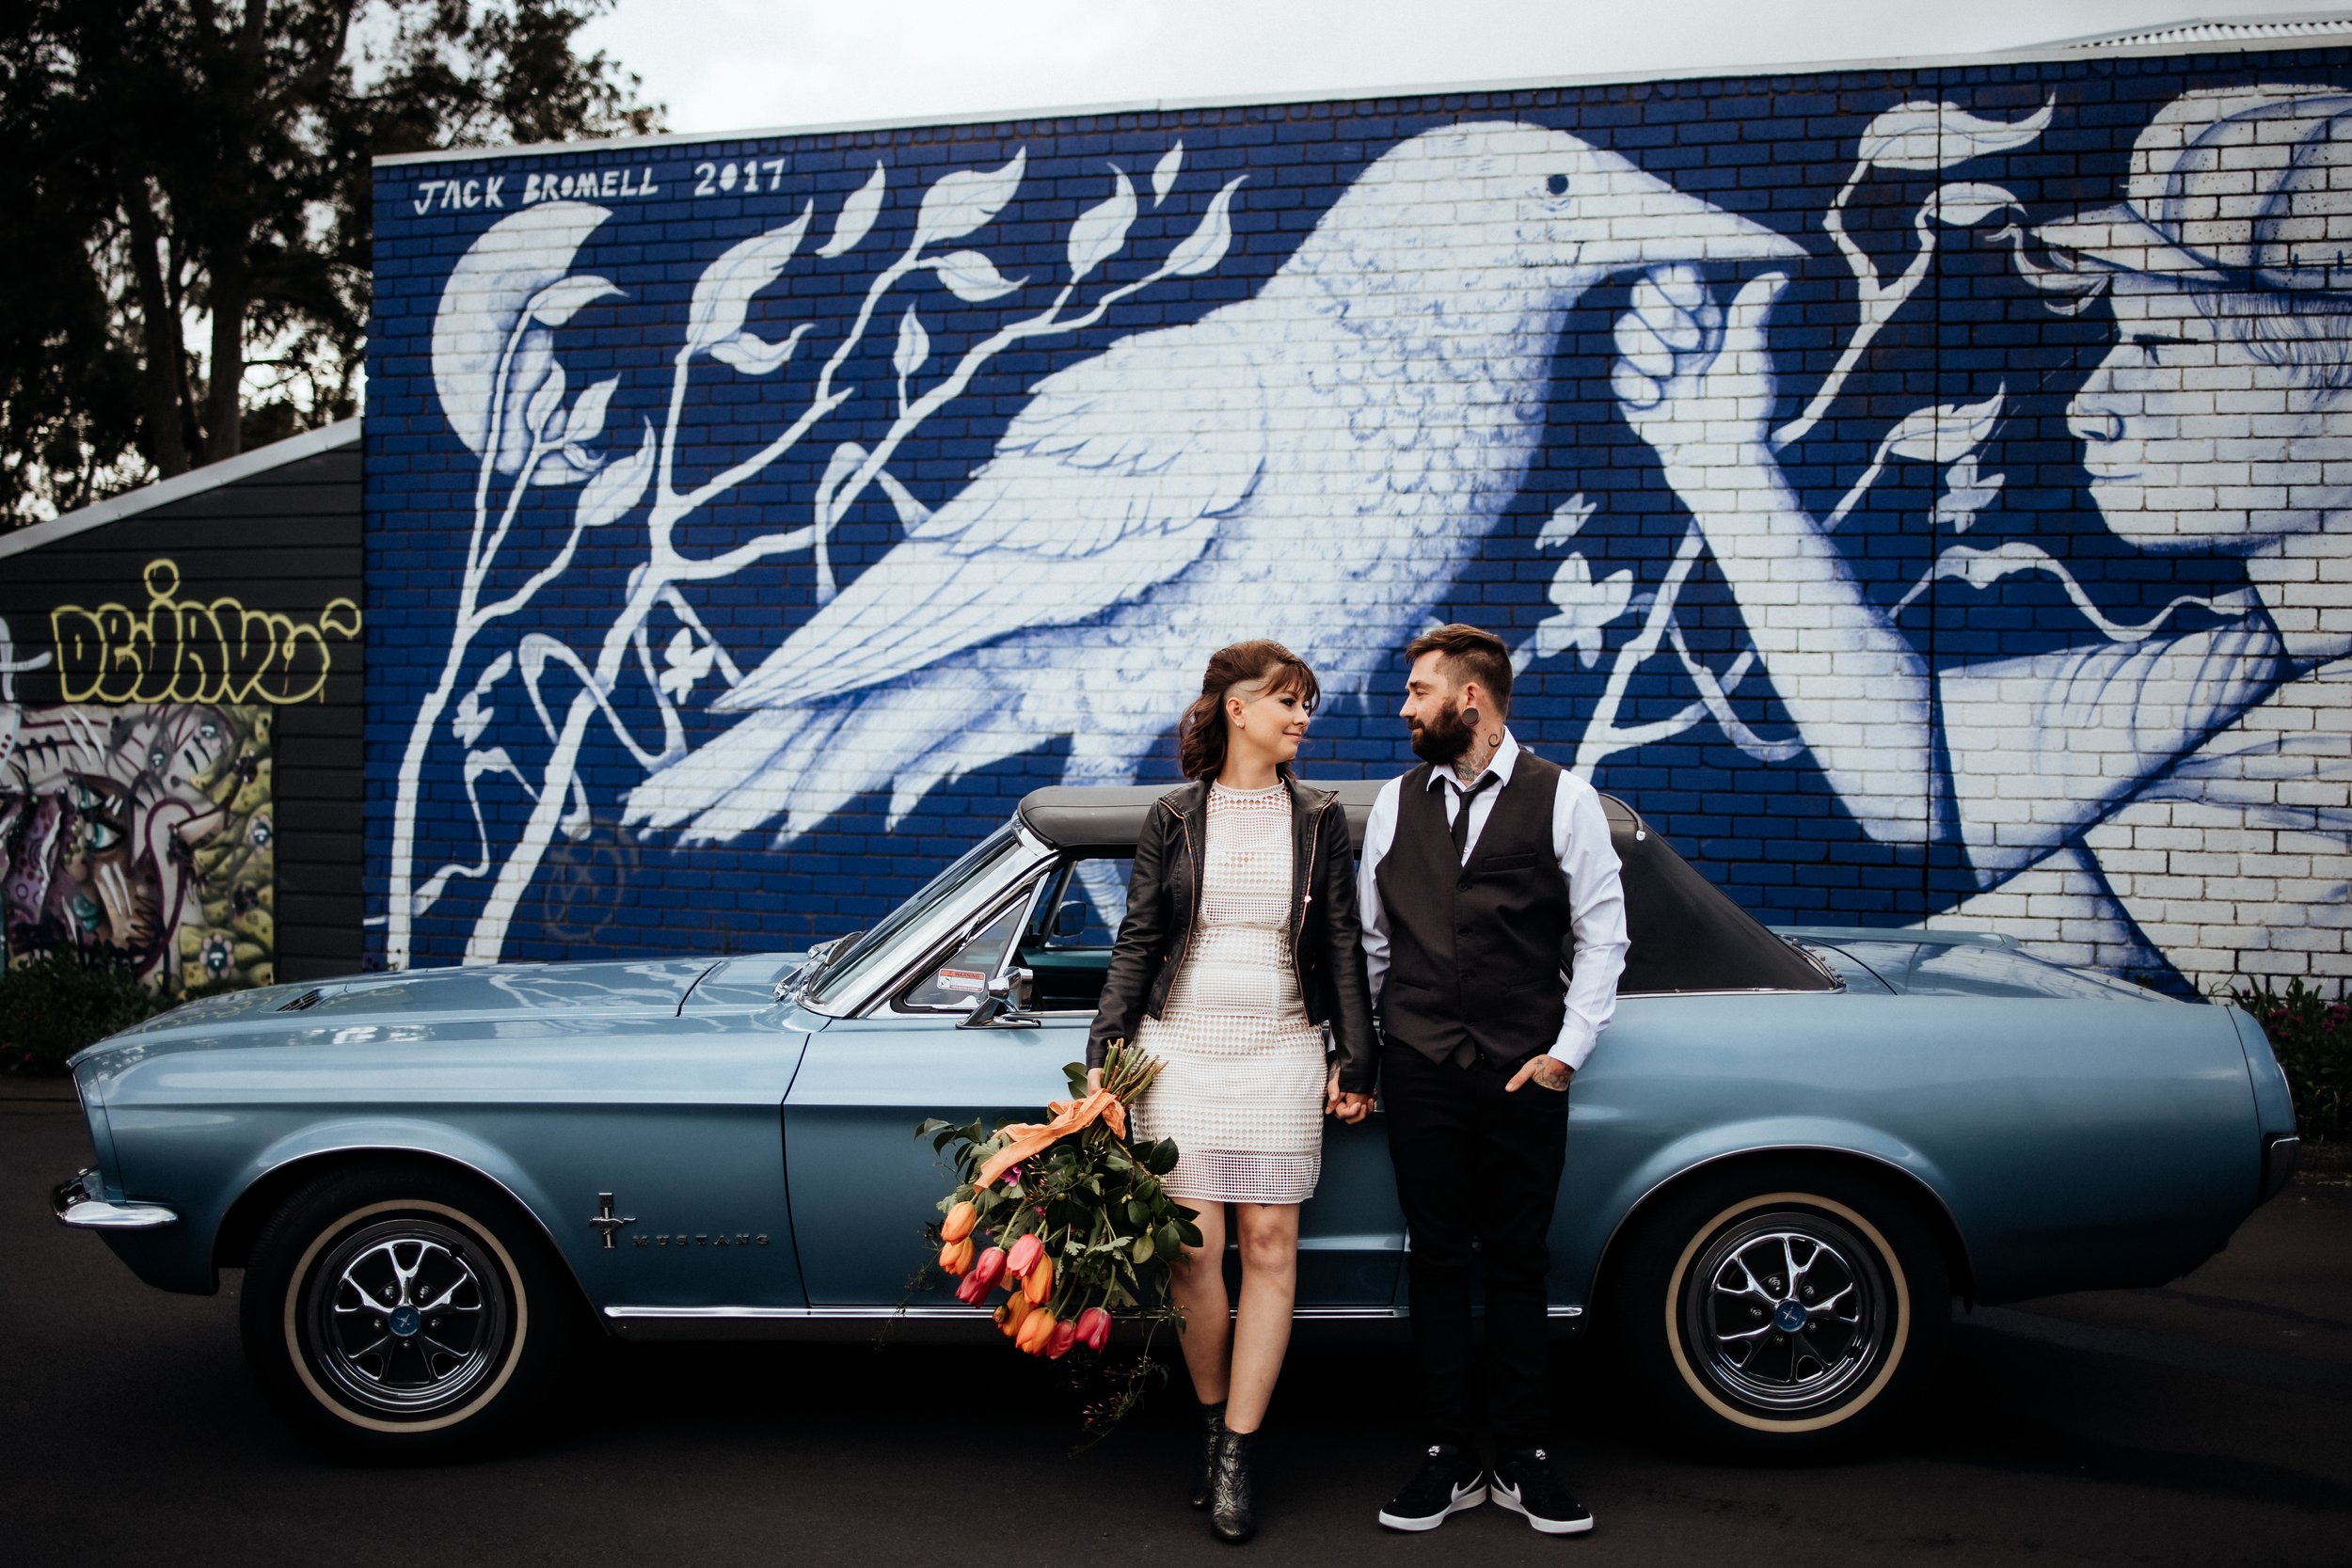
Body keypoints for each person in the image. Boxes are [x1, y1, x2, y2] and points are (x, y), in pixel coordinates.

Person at [1608, 84, 2350, 987]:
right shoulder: (2257, 664)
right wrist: (1717, 457)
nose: (2091, 405)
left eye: (2162, 344)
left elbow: (2016, 962)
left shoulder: (2318, 738)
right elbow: (1914, 778)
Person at [1087, 639, 1377, 1544]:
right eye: (1284, 700)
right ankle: (1213, 1420)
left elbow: (1340, 944)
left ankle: (1238, 1451)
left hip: (1285, 1050)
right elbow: (1139, 940)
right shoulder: (1172, 817)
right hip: (1182, 1055)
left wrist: (1356, 1056)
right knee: (1191, 1252)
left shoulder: (1322, 818)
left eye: (1306, 703)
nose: (1301, 716)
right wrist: (1107, 1051)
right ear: (1234, 709)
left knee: (1269, 1242)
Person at [1358, 623, 1628, 1536]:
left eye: (1419, 690)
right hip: (1422, 1066)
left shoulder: (1564, 799)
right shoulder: (1395, 803)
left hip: (1524, 1072)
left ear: (1469, 697)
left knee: (1517, 1260)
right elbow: (1372, 940)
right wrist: (1374, 1050)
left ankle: (1523, 1453)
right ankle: (1445, 1453)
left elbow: (1602, 934)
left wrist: (1566, 1052)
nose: (1405, 707)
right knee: (1434, 1259)